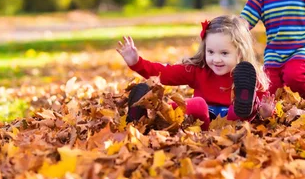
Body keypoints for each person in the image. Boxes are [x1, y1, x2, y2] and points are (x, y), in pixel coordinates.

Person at [115, 15, 273, 130]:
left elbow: (260, 115)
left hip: (232, 124)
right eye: (210, 52)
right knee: (198, 104)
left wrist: (265, 113)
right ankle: (147, 113)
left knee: (240, 110)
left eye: (224, 53)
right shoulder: (198, 70)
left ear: (240, 53)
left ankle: (242, 107)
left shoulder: (248, 77)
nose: (216, 59)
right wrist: (137, 63)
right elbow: (165, 73)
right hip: (200, 123)